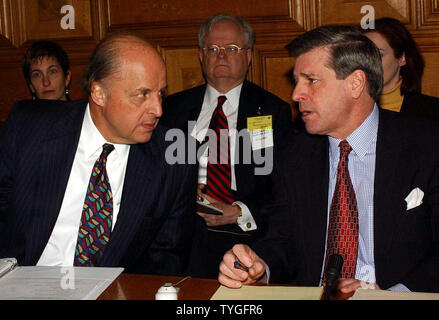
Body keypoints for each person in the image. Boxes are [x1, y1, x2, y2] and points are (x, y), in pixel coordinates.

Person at [219, 25, 439, 296]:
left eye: (311, 80)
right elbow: (284, 239)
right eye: (297, 81)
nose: (296, 94)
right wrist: (258, 264)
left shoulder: (427, 145)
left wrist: (392, 294)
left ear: (355, 83)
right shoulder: (295, 155)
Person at [0, 33, 197, 276]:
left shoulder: (175, 156)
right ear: (99, 93)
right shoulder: (30, 128)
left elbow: (167, 258)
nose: (157, 109)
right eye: (142, 94)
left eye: (160, 94)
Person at [162, 13, 293, 278]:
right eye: (213, 49)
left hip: (245, 233)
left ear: (247, 55)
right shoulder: (173, 108)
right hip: (182, 232)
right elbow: (157, 175)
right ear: (201, 56)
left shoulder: (270, 110)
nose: (221, 56)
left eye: (231, 49)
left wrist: (238, 212)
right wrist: (183, 194)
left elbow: (283, 189)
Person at [362, 17, 439, 119]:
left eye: (379, 55)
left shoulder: (432, 112)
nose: (369, 62)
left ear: (402, 58)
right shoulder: (346, 109)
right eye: (363, 55)